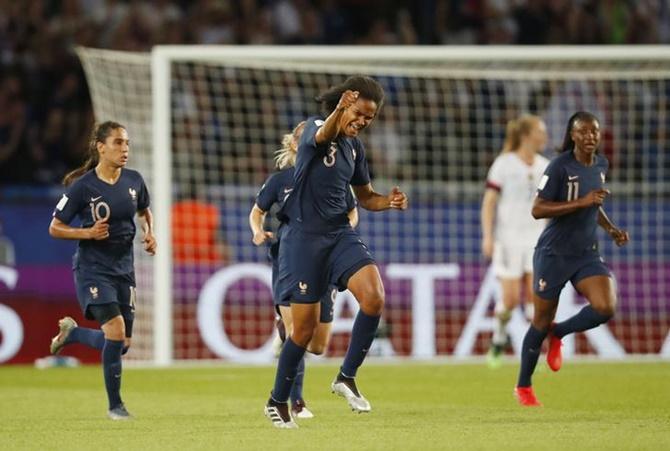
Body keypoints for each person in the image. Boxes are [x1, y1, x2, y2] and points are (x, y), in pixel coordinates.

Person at [263, 75, 408, 429]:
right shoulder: (316, 127)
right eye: (359, 113)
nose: (362, 121)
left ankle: (346, 377)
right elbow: (324, 134)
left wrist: (387, 202)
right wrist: (338, 113)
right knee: (304, 331)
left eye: (369, 118)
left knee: (374, 297)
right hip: (303, 239)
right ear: (345, 104)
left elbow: (366, 196)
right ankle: (277, 401)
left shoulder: (355, 150)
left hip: (339, 233)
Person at [514, 112, 629, 406]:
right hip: (553, 254)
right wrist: (583, 201)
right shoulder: (560, 166)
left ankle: (560, 332)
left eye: (595, 132)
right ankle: (524, 386)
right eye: (584, 132)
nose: (590, 136)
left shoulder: (601, 165)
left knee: (606, 306)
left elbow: (594, 206)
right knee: (540, 320)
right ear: (573, 135)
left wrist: (611, 228)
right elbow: (538, 209)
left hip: (585, 254)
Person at [249, 121, 358, 420]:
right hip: (290, 259)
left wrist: (343, 232)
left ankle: (282, 332)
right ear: (296, 144)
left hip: (326, 259)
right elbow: (257, 211)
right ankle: (295, 402)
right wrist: (257, 232)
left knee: (318, 345)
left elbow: (352, 208)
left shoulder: (331, 178)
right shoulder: (280, 180)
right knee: (297, 331)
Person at [48, 121, 157, 420]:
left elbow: (144, 209)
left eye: (127, 143)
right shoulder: (83, 186)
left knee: (121, 344)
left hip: (125, 268)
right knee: (115, 331)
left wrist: (150, 232)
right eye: (119, 143)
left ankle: (72, 334)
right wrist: (87, 234)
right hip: (93, 269)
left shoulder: (134, 180)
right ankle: (115, 407)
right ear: (100, 147)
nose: (125, 149)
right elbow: (55, 227)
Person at [481, 115, 549, 368]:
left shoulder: (545, 165)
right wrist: (488, 236)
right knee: (509, 301)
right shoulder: (504, 164)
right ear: (527, 135)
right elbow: (489, 202)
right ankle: (499, 339)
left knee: (536, 299)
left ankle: (533, 352)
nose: (545, 137)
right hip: (507, 240)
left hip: (537, 240)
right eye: (541, 132)